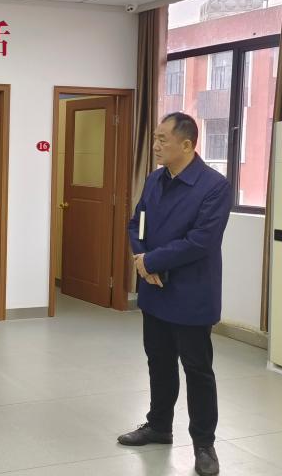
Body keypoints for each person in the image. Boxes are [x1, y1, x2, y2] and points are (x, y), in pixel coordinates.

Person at [118, 113, 232, 476]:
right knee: (159, 361)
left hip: (191, 294)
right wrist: (141, 259)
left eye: (162, 139)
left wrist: (152, 260)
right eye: (154, 138)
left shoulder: (214, 186)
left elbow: (201, 241)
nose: (155, 145)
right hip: (154, 291)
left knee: (197, 370)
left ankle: (204, 444)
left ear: (186, 144)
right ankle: (159, 426)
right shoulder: (155, 179)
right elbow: (136, 223)